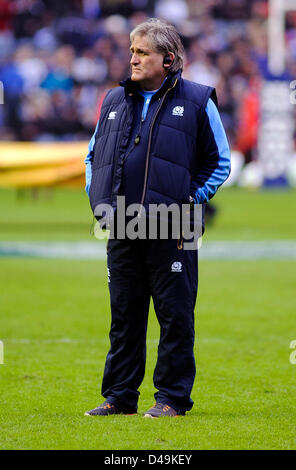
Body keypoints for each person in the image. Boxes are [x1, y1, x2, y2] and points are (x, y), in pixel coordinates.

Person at [84, 18, 231, 418]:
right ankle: (119, 397)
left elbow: (220, 163)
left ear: (168, 59)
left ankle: (171, 400)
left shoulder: (199, 100)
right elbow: (92, 157)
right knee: (125, 317)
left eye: (142, 52)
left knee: (175, 317)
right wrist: (97, 197)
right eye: (132, 51)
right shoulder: (114, 100)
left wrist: (188, 199)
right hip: (124, 225)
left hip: (174, 227)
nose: (132, 58)